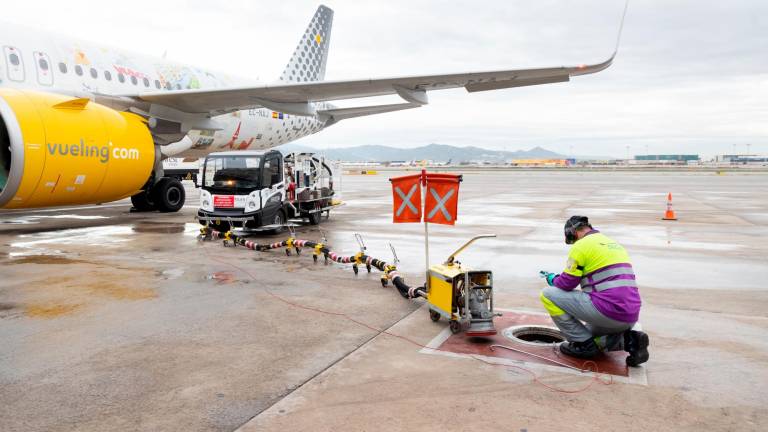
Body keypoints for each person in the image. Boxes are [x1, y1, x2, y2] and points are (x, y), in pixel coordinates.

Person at [539, 216, 649, 366]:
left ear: (572, 232)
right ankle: (630, 340)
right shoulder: (613, 244)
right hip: (630, 316)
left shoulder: (581, 246)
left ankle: (584, 346)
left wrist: (553, 278)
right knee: (588, 333)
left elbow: (566, 284)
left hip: (608, 311)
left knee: (548, 294)